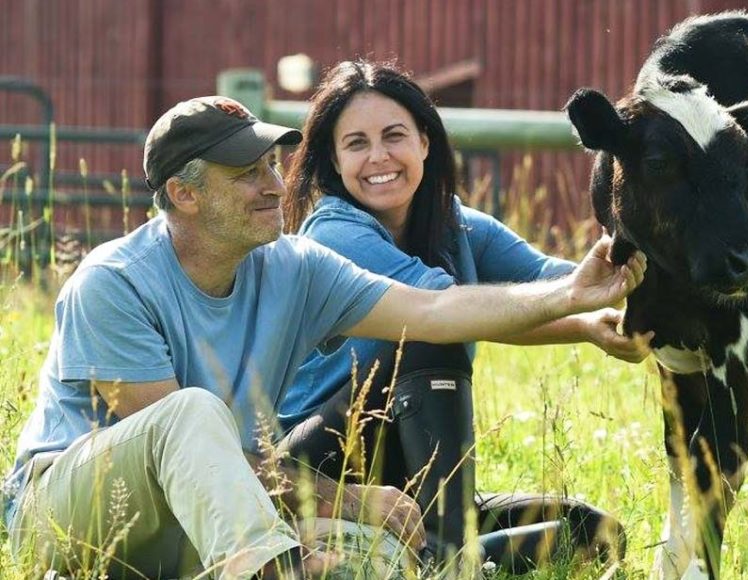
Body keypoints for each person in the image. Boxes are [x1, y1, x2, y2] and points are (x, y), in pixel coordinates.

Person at [0, 95, 645, 579]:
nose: (276, 186)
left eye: (273, 166)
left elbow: (431, 313)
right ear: (183, 194)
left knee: (386, 558)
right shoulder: (112, 284)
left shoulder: (293, 269)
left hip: (209, 521)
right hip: (70, 516)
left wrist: (571, 298)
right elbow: (185, 454)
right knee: (194, 415)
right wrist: (349, 497)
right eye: (247, 174)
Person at [277, 60, 653, 574]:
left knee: (594, 534)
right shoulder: (334, 233)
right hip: (321, 465)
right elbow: (443, 310)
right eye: (357, 143)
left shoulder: (454, 223)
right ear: (335, 160)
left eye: (394, 136)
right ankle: (453, 560)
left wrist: (624, 278)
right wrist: (575, 302)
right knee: (429, 337)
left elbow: (549, 277)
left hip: (419, 482)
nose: (379, 156)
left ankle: (439, 555)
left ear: (425, 143)